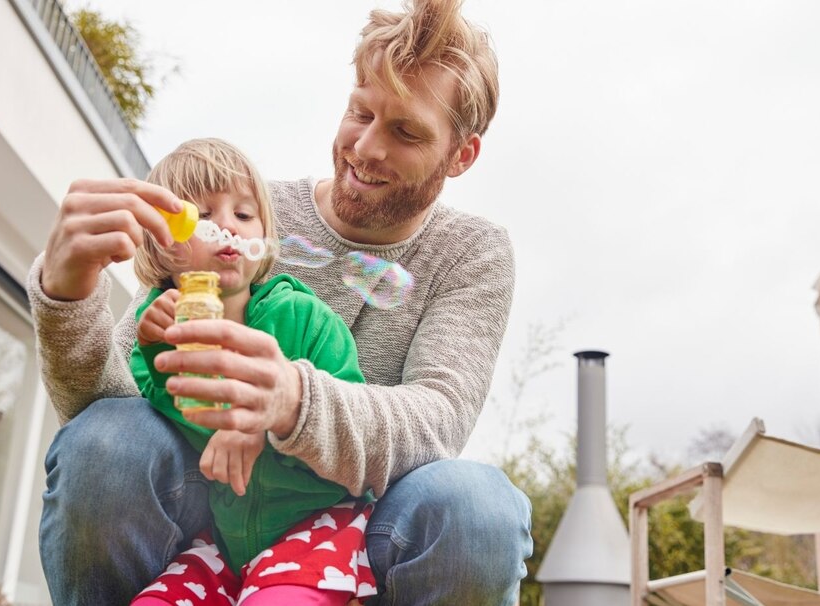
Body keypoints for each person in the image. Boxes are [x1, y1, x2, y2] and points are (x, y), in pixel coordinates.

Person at [29, 0, 532, 604]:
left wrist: (293, 401)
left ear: (461, 155)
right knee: (105, 442)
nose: (365, 147)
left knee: (480, 510)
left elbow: (436, 422)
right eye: (360, 111)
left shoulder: (472, 253)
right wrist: (66, 298)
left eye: (405, 131)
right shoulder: (245, 213)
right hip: (208, 510)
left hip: (356, 526)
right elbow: (108, 418)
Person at [125, 138, 376, 605]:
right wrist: (154, 348)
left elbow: (355, 423)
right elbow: (169, 407)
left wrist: (273, 421)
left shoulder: (305, 317)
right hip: (224, 538)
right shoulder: (172, 324)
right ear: (162, 245)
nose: (227, 225)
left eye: (243, 215)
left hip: (317, 527)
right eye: (202, 215)